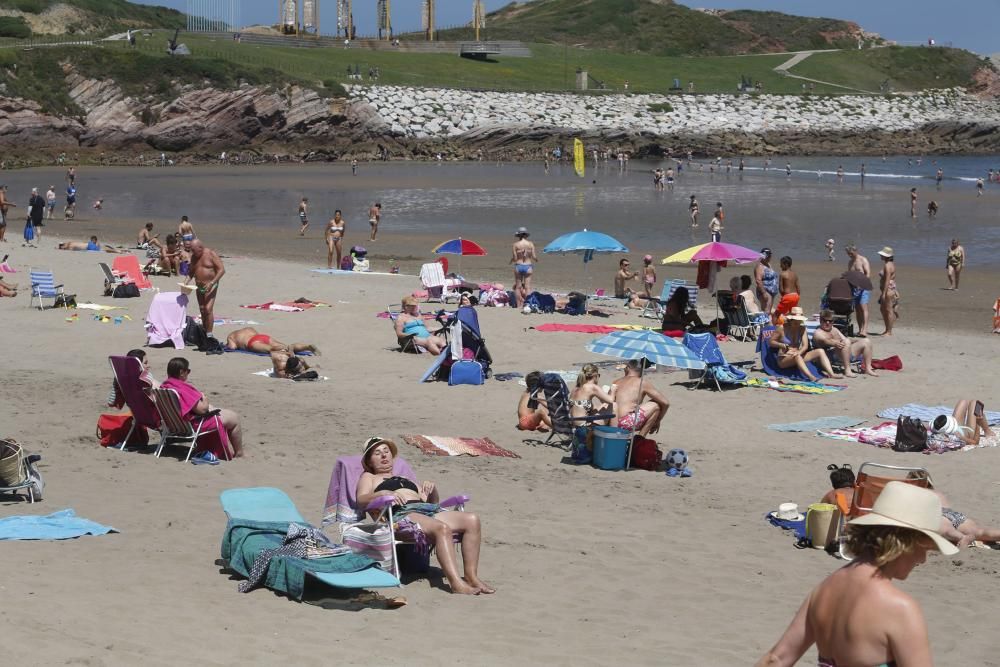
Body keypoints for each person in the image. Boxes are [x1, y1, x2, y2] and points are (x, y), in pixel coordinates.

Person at [756, 482, 957, 667]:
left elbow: (777, 659)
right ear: (905, 542)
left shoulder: (825, 589)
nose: (923, 559)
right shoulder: (900, 609)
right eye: (925, 547)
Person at [356, 437, 494, 595]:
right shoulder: (369, 478)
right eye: (377, 453)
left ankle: (471, 577)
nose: (384, 456)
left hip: (427, 509)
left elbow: (432, 502)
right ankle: (456, 583)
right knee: (441, 528)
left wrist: (432, 489)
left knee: (472, 520)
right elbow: (361, 500)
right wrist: (383, 493)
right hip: (402, 514)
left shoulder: (406, 479)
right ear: (369, 461)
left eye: (386, 451)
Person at [160, 357, 243, 457]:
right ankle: (239, 453)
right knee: (234, 418)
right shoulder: (181, 388)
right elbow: (202, 410)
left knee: (219, 411)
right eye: (188, 371)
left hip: (174, 425)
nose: (188, 373)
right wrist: (204, 398)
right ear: (182, 372)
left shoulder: (164, 387)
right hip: (192, 425)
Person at [907, 471, 1000, 549]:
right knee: (980, 531)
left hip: (939, 515)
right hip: (954, 515)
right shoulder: (937, 493)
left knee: (948, 531)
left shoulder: (914, 492)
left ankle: (962, 537)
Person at [769, 307, 840, 382]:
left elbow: (805, 346)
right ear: (791, 319)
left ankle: (831, 374)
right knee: (797, 356)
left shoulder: (802, 329)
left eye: (799, 320)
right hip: (784, 358)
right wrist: (782, 345)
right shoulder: (782, 328)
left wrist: (799, 352)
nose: (798, 322)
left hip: (798, 354)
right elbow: (771, 342)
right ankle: (811, 377)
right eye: (796, 320)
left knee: (820, 351)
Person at [813, 309, 878, 377]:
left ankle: (868, 368)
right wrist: (835, 343)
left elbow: (846, 339)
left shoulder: (834, 329)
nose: (828, 323)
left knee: (866, 341)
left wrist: (857, 341)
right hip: (829, 356)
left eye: (830, 321)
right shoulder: (818, 332)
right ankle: (847, 370)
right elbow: (825, 341)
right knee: (846, 342)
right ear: (820, 321)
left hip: (843, 353)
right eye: (825, 320)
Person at [612, 359, 669, 437]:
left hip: (612, 422)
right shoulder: (641, 382)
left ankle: (638, 439)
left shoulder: (616, 381)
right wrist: (657, 421)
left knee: (653, 402)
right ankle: (640, 438)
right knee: (656, 405)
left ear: (627, 368)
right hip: (625, 423)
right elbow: (666, 403)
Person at [183, 240, 225, 339]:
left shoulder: (211, 254)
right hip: (199, 286)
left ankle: (209, 334)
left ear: (200, 248)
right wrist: (185, 283)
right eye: (191, 251)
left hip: (211, 285)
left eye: (194, 250)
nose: (192, 253)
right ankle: (205, 331)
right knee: (202, 309)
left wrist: (212, 282)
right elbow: (191, 272)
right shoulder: (194, 257)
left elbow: (221, 270)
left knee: (208, 309)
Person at [569, 364, 615, 450]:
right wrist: (613, 390)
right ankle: (614, 438)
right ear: (595, 375)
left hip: (572, 425)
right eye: (598, 375)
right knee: (614, 405)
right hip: (584, 428)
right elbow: (610, 400)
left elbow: (586, 408)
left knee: (600, 407)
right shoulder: (592, 387)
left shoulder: (576, 387)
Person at [225, 326, 319, 356]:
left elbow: (232, 347)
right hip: (262, 337)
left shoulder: (231, 336)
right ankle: (306, 347)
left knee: (272, 349)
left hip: (252, 343)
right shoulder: (249, 328)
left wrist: (227, 345)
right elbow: (257, 334)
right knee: (286, 346)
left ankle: (288, 353)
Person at [845, 244, 872, 337]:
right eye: (848, 254)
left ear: (856, 251)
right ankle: (860, 329)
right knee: (857, 309)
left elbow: (868, 274)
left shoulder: (863, 260)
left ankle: (865, 330)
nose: (850, 255)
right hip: (854, 288)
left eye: (851, 253)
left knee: (863, 307)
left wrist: (862, 284)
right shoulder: (850, 262)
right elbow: (849, 275)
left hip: (864, 286)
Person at [510, 227, 536, 308]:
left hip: (518, 265)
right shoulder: (530, 244)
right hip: (528, 266)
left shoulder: (515, 244)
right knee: (527, 287)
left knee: (518, 287)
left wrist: (511, 261)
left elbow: (514, 258)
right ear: (526, 235)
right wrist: (537, 260)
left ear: (518, 235)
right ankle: (527, 304)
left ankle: (519, 305)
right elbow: (534, 257)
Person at [877, 246, 899, 336]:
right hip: (890, 289)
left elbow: (887, 280)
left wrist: (884, 293)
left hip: (888, 290)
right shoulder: (890, 264)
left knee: (888, 310)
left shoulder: (887, 265)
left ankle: (889, 331)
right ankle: (887, 329)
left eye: (882, 254)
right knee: (883, 309)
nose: (881, 256)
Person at [773, 256, 801, 324]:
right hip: (795, 296)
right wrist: (796, 297)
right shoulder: (795, 274)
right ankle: (792, 328)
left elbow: (781, 289)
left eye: (781, 264)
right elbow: (798, 288)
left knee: (776, 314)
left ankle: (772, 330)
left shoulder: (782, 274)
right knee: (792, 314)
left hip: (787, 296)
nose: (780, 266)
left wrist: (784, 297)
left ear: (786, 264)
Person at [754, 248, 779, 315]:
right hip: (765, 291)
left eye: (770, 256)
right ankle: (765, 325)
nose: (770, 258)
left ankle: (767, 324)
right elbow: (758, 280)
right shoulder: (760, 266)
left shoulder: (768, 265)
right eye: (768, 256)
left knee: (769, 311)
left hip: (771, 292)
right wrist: (764, 293)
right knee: (766, 311)